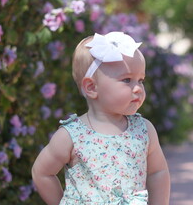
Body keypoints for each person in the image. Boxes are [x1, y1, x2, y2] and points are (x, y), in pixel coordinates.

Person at [32, 32, 170, 205]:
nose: (138, 89)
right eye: (127, 80)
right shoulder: (73, 135)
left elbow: (158, 172)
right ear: (91, 87)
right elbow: (42, 172)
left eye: (140, 80)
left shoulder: (143, 130)